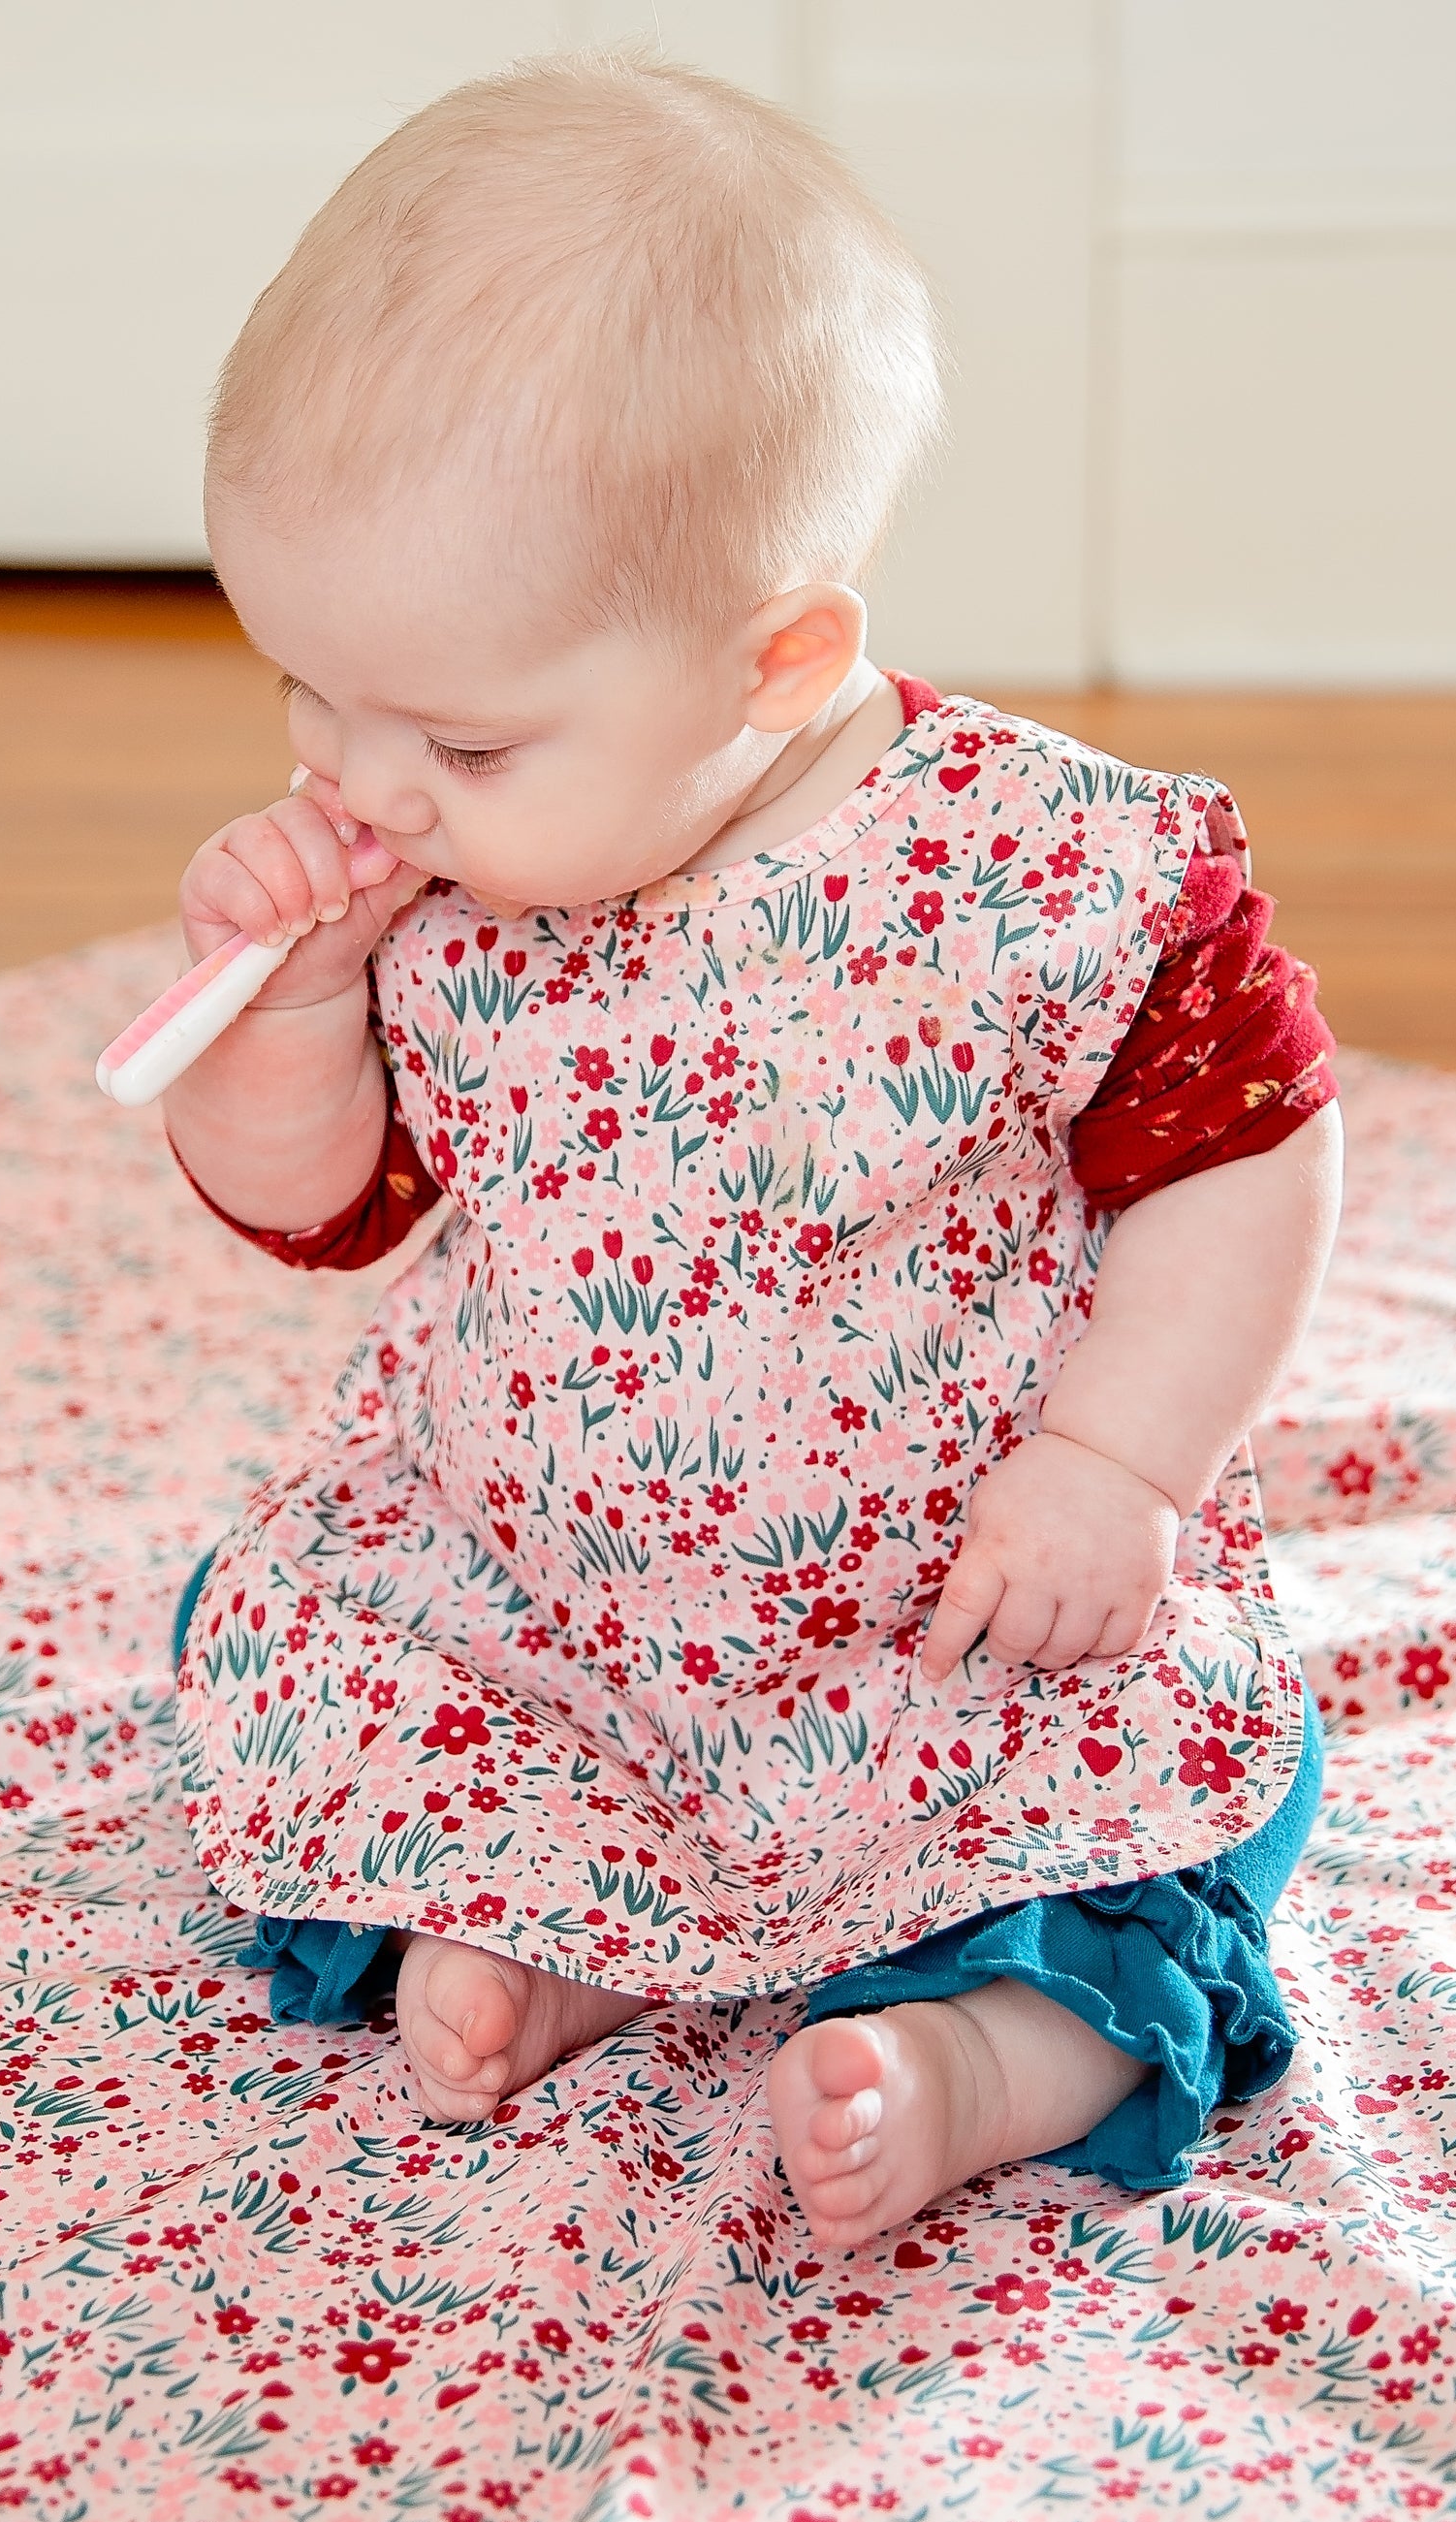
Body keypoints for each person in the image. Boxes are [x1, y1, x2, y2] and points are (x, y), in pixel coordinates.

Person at [159, 51, 1341, 2249]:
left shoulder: (1047, 878)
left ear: (776, 657)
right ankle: (566, 1931)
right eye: (308, 700)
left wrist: (1119, 1467)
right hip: (548, 1594)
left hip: (945, 1619)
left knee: (1166, 1815)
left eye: (462, 736)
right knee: (287, 1652)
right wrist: (300, 1010)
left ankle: (982, 2049)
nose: (370, 788)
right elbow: (318, 1211)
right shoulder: (445, 898)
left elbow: (1253, 1159)